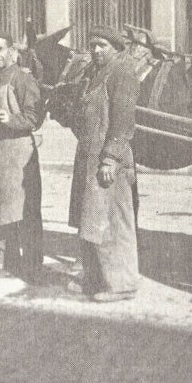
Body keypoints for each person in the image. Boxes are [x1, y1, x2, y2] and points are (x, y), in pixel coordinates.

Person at [68, 25, 141, 302]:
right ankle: (95, 279)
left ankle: (122, 285)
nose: (96, 50)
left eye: (103, 46)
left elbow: (123, 123)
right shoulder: (94, 74)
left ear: (116, 48)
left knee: (113, 221)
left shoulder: (122, 73)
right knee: (90, 219)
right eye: (93, 45)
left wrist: (111, 158)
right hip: (89, 156)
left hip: (108, 160)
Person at [0, 32, 44, 276]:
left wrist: (11, 119)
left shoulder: (23, 79)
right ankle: (4, 259)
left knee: (24, 210)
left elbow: (34, 118)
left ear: (12, 51)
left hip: (18, 151)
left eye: (0, 49)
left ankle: (32, 263)